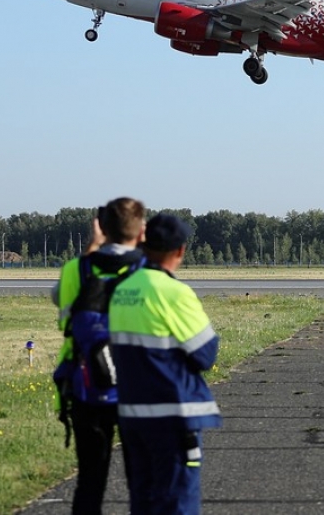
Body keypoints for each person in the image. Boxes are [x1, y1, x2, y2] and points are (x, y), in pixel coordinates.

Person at [109, 212, 221, 515]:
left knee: (143, 501)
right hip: (172, 415)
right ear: (181, 250)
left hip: (133, 415)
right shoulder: (173, 292)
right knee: (177, 503)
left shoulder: (122, 290)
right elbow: (205, 354)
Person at [51, 197, 147, 515]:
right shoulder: (147, 272)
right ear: (141, 230)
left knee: (90, 482)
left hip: (86, 385)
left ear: (101, 228)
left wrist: (91, 250)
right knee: (142, 482)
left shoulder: (74, 271)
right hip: (137, 389)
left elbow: (64, 314)